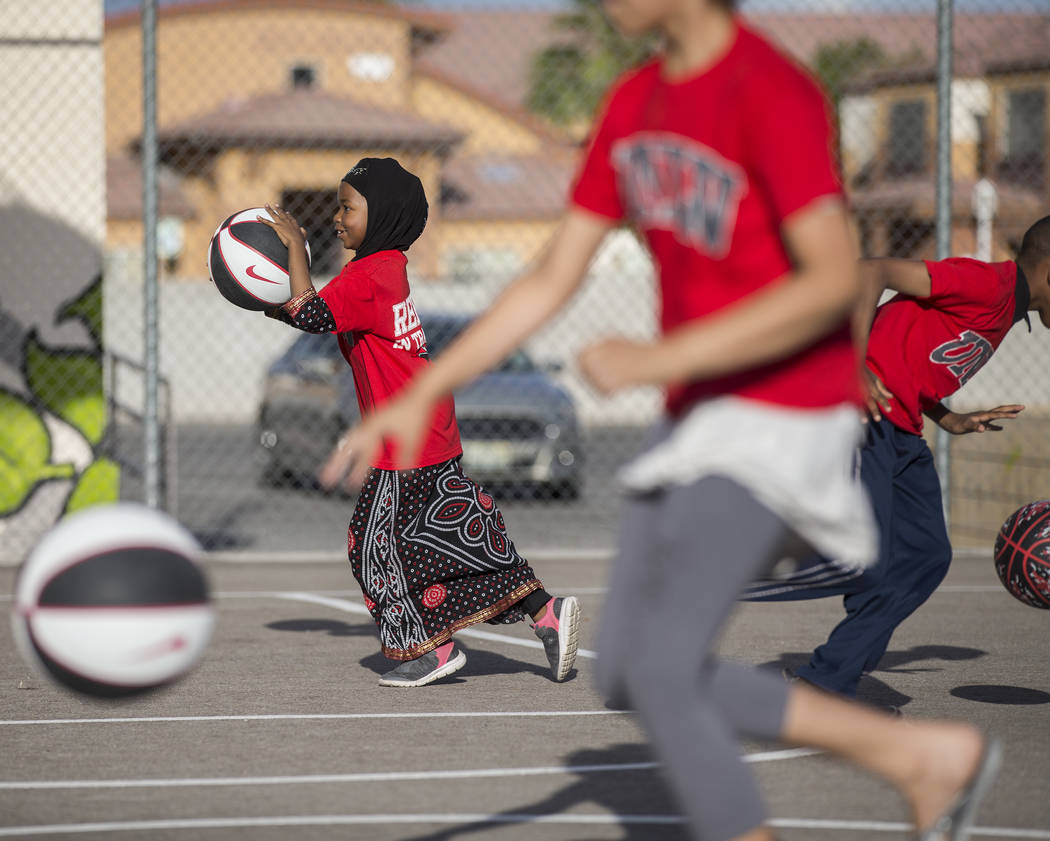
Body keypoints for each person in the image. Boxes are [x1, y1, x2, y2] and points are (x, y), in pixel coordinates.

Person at [326, 2, 1001, 840]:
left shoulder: (773, 92)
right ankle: (916, 759)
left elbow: (833, 278)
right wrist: (421, 391)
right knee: (643, 675)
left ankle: (912, 760)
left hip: (785, 406)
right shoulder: (633, 103)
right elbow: (549, 276)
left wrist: (655, 359)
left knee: (664, 667)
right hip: (698, 417)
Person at [258, 157, 580, 688]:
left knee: (374, 547)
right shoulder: (386, 269)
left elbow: (312, 315)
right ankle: (547, 612)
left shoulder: (366, 275)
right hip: (429, 431)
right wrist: (258, 291)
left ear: (380, 215)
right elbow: (309, 310)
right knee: (456, 540)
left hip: (403, 442)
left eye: (347, 207)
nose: (336, 217)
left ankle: (431, 651)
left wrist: (293, 247)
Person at [743, 215, 1050, 701]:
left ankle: (824, 679)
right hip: (864, 417)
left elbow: (911, 354)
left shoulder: (1005, 311)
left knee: (925, 556)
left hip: (902, 430)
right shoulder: (987, 284)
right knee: (859, 558)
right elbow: (870, 271)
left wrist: (948, 418)